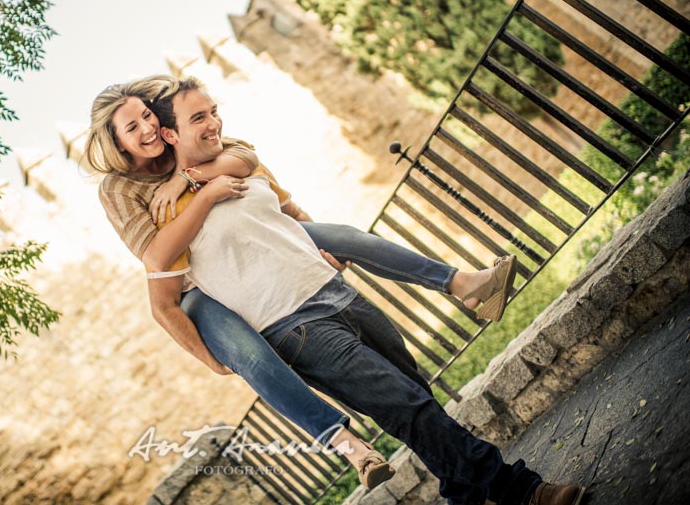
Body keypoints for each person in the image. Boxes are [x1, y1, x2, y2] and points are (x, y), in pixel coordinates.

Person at [143, 77, 585, 505]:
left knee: (416, 395)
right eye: (198, 117)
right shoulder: (165, 213)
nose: (213, 122)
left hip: (336, 293)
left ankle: (465, 495)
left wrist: (325, 246)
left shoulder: (239, 162)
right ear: (169, 133)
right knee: (405, 405)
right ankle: (522, 491)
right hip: (292, 327)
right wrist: (189, 189)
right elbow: (163, 278)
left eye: (214, 110)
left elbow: (288, 213)